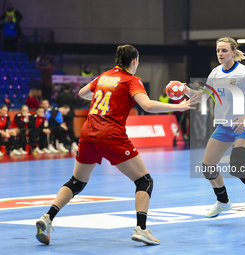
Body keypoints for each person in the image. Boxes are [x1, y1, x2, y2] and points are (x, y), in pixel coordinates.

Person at [35, 44, 197, 246]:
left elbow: (83, 93)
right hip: (111, 135)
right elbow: (146, 105)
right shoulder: (132, 80)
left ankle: (47, 217)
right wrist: (177, 107)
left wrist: (107, 94)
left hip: (88, 134)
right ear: (135, 61)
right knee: (144, 181)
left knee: (76, 182)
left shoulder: (104, 76)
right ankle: (141, 228)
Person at [185, 37, 245, 222]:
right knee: (207, 167)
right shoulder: (215, 73)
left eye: (224, 50)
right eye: (218, 51)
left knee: (237, 166)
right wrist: (185, 90)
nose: (220, 54)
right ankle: (223, 202)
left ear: (233, 52)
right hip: (224, 125)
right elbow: (203, 96)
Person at [56, 83, 78, 152]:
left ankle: (62, 144)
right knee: (70, 129)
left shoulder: (59, 95)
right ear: (69, 89)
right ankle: (73, 144)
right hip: (69, 114)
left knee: (62, 128)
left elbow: (57, 102)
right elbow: (75, 103)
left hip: (61, 114)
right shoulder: (71, 96)